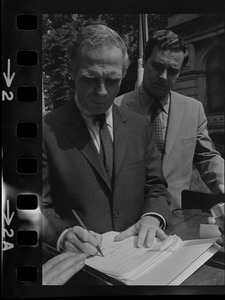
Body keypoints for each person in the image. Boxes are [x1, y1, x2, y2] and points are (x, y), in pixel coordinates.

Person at [42, 25, 171, 258]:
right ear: (72, 71)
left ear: (124, 74)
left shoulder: (139, 125)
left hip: (140, 257)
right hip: (79, 266)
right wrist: (63, 236)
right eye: (90, 79)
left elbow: (156, 187)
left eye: (112, 80)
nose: (102, 91)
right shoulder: (45, 131)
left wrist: (153, 217)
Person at [115, 29, 225, 212]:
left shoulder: (193, 109)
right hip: (130, 220)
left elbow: (207, 156)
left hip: (178, 216)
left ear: (180, 72)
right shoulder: (116, 108)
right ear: (145, 61)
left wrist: (224, 182)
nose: (164, 76)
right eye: (158, 66)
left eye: (172, 71)